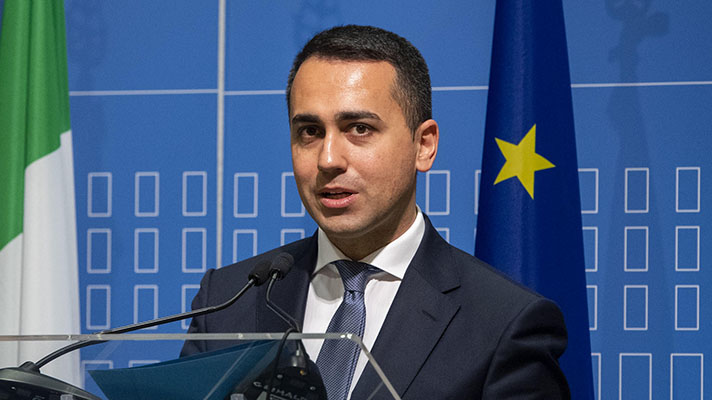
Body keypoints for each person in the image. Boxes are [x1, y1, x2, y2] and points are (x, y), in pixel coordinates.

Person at [181, 25, 569, 399]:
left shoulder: (503, 323)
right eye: (310, 132)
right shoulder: (230, 301)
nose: (329, 159)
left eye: (359, 129)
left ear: (424, 145)